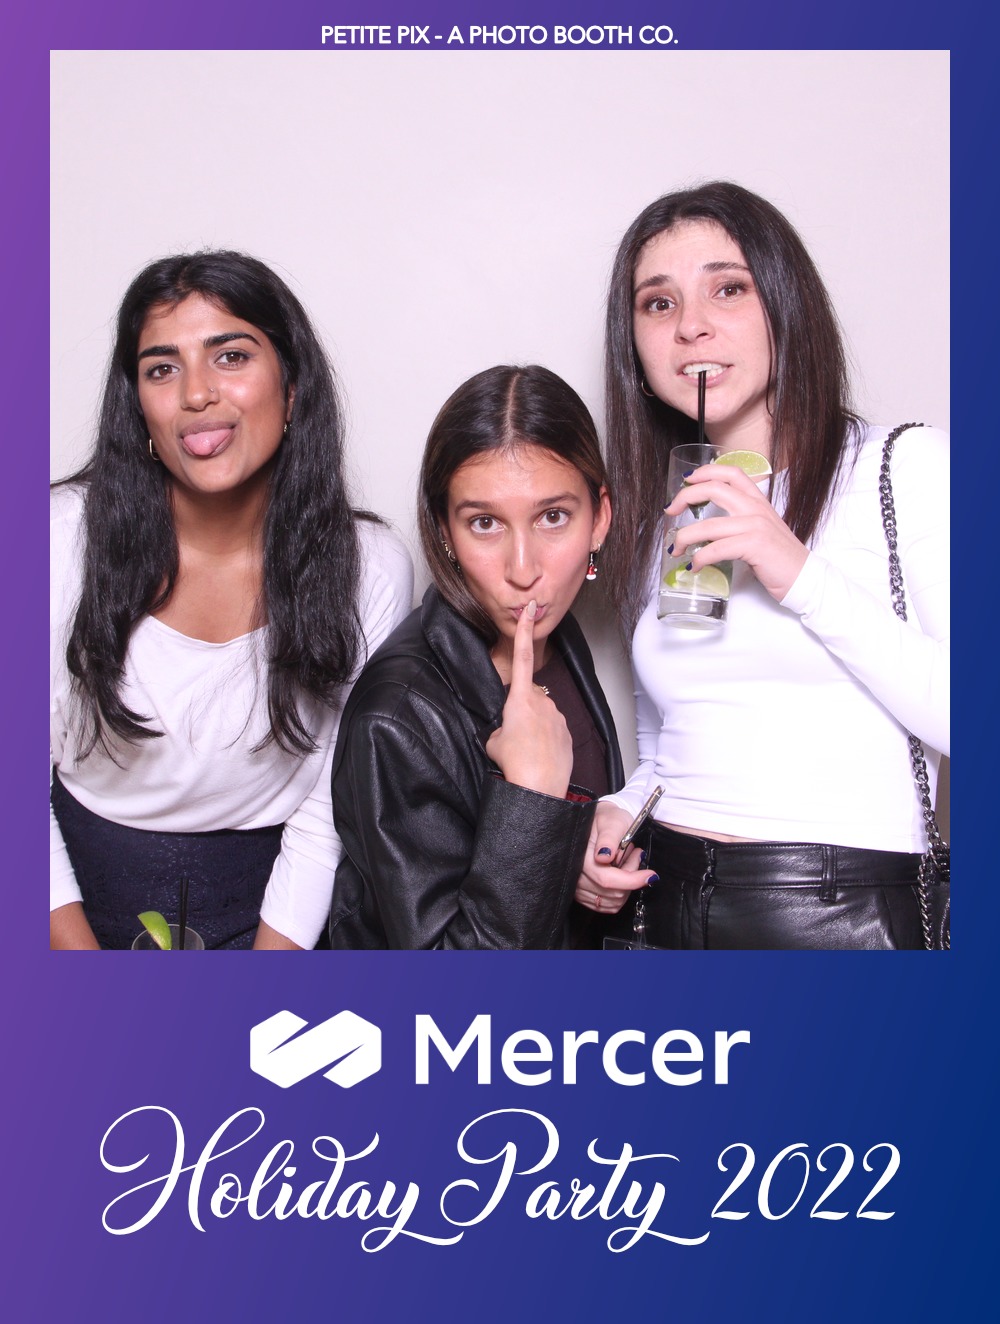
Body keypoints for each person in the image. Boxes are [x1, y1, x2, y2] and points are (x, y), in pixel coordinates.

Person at [578, 181, 949, 949]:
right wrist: (622, 809)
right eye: (658, 303)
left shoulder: (904, 468)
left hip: (842, 918)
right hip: (667, 910)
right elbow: (670, 741)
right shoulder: (668, 511)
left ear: (787, 305)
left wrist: (798, 573)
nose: (691, 325)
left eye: (729, 288)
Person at [50, 251, 413, 950]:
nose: (196, 394)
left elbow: (326, 810)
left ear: (293, 387)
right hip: (63, 910)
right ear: (138, 406)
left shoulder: (371, 568)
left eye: (231, 357)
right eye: (162, 369)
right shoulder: (57, 539)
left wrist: (258, 989)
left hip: (275, 919)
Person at [328, 364, 646, 949]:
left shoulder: (554, 636)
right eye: (484, 523)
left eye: (553, 517)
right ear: (444, 531)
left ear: (599, 518)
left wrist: (577, 854)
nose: (523, 570)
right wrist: (531, 798)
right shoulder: (396, 718)